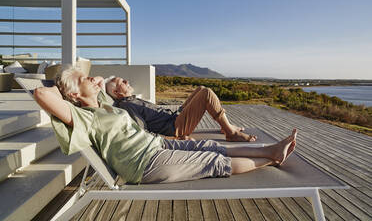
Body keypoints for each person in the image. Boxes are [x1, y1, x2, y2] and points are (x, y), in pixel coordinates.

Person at [34, 67, 297, 184]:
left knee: (209, 144)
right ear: (74, 96)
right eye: (84, 79)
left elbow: (102, 80)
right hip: (143, 163)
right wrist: (64, 89)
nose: (92, 78)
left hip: (155, 144)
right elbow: (41, 95)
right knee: (211, 160)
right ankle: (271, 158)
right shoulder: (83, 116)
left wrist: (84, 83)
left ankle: (270, 148)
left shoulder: (104, 104)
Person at [105, 77, 257, 142]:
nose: (127, 81)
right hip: (175, 127)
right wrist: (175, 139)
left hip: (174, 116)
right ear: (117, 93)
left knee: (201, 88)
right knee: (206, 94)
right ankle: (231, 133)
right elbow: (142, 133)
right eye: (122, 82)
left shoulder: (131, 100)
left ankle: (225, 126)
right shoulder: (127, 106)